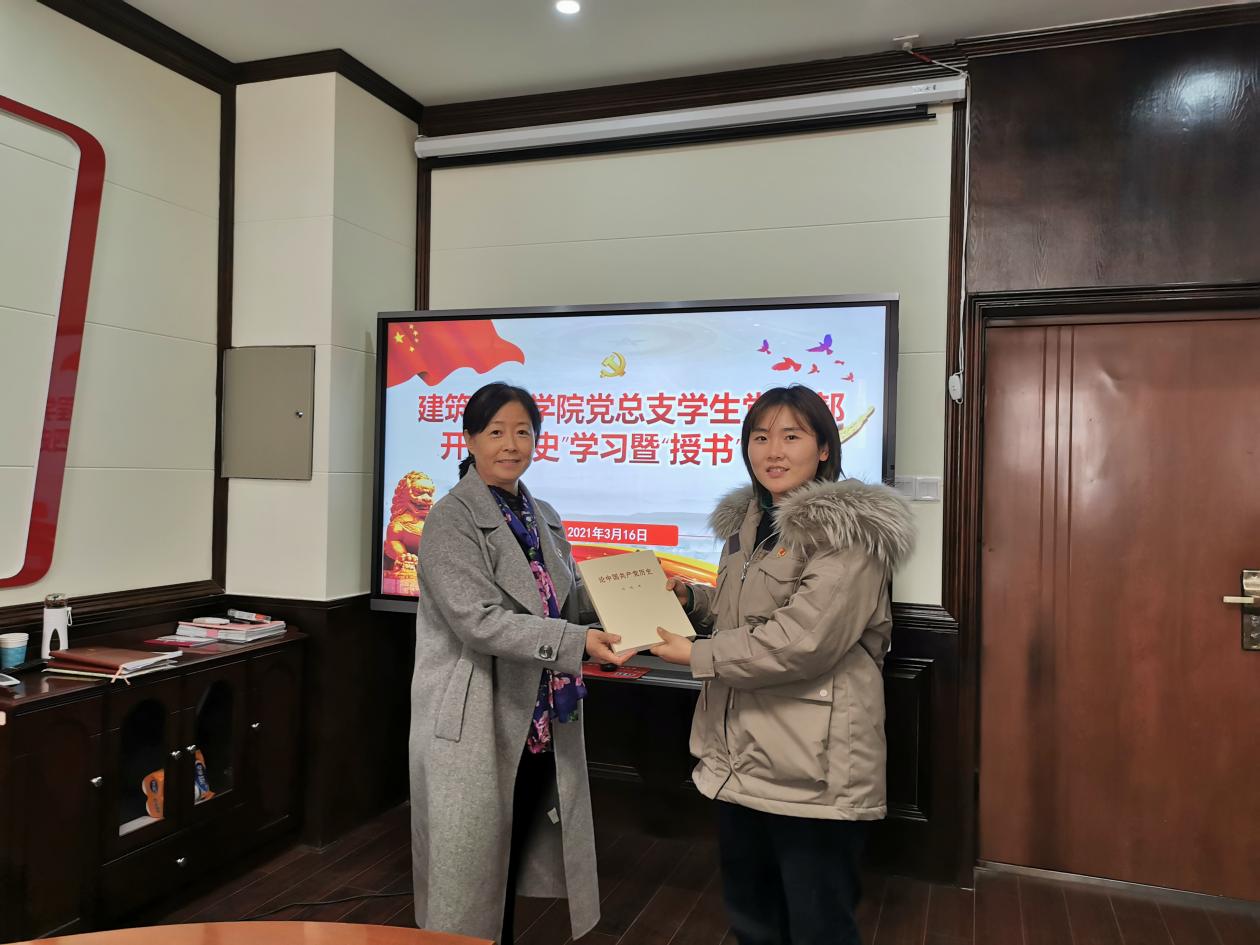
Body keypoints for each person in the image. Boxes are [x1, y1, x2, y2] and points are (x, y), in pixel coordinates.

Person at [650, 385, 915, 945]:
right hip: (741, 757)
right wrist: (693, 602)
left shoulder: (848, 532)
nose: (773, 451)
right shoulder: (749, 522)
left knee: (818, 927)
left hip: (812, 767)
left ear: (824, 448)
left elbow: (803, 640)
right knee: (753, 920)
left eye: (792, 436)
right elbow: (744, 617)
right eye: (760, 437)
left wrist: (697, 654)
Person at [408, 381, 630, 944]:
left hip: (538, 720)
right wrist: (577, 642)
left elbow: (565, 598)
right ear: (469, 439)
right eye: (496, 432)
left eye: (523, 432)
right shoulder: (450, 519)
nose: (511, 445)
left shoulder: (543, 516)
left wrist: (643, 595)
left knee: (507, 854)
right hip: (476, 717)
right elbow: (478, 621)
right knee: (469, 871)